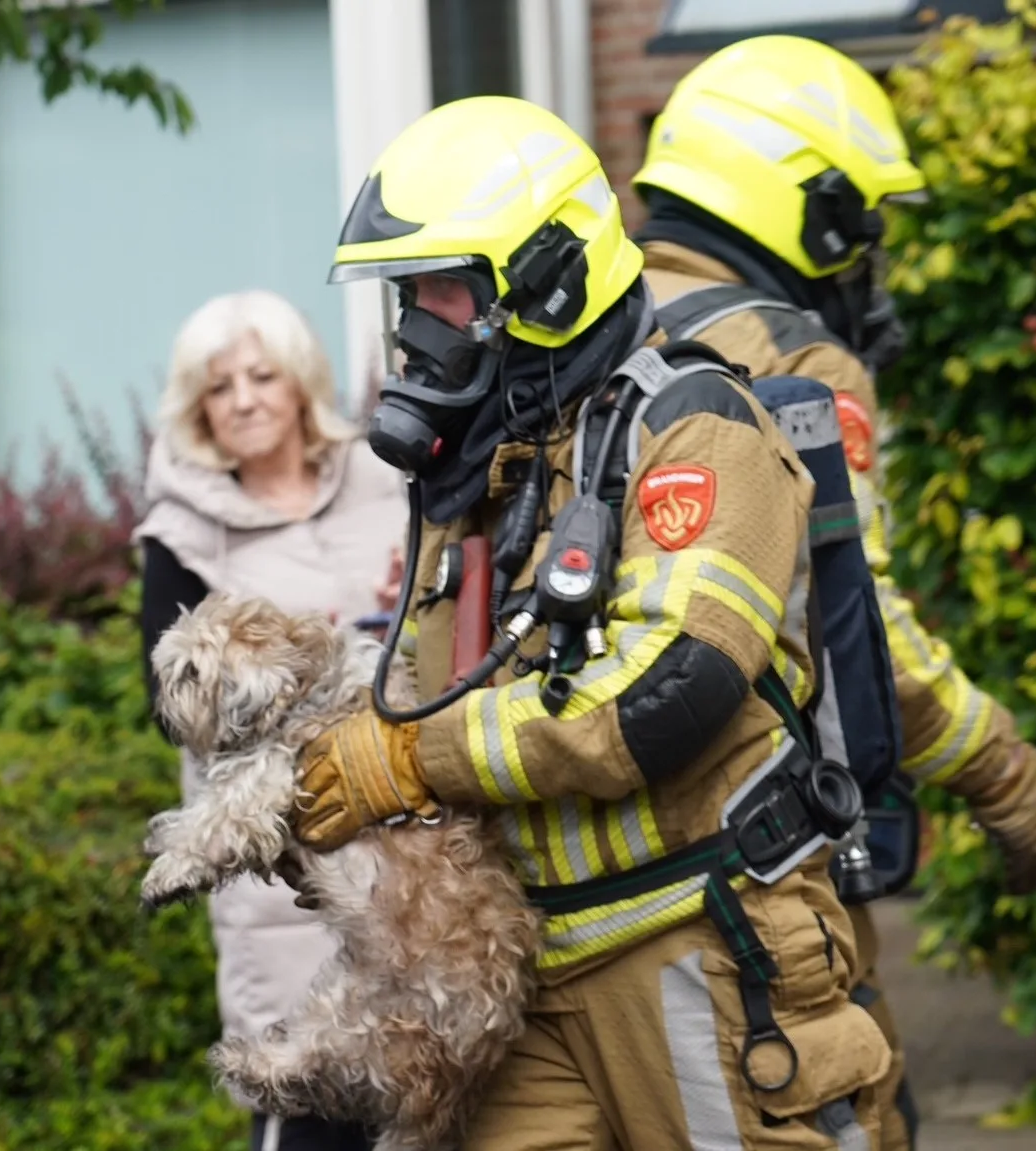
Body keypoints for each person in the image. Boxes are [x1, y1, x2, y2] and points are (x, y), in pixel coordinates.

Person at [290, 94, 897, 1149]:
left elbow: (666, 692)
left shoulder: (694, 428)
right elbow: (429, 694)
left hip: (697, 944)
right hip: (521, 975)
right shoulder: (478, 473)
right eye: (406, 296)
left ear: (547, 283)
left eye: (442, 291)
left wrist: (403, 761)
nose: (414, 328)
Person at [630, 35, 1036, 1151]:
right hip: (753, 870)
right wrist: (1007, 774)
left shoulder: (586, 331)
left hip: (578, 882)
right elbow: (855, 624)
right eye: (861, 229)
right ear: (811, 208)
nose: (866, 260)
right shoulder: (789, 360)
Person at [133, 288, 406, 1151]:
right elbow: (172, 713)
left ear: (300, 384)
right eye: (221, 388)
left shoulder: (388, 479)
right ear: (198, 409)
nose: (245, 399)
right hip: (279, 864)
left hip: (411, 842)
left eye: (262, 376)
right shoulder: (180, 533)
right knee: (309, 1097)